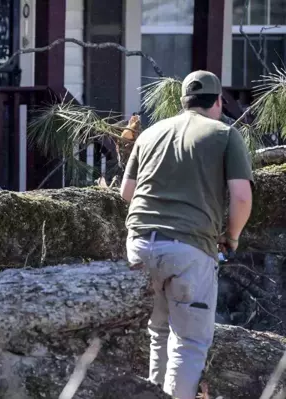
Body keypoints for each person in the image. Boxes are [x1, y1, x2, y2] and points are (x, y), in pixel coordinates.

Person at [120, 70, 254, 399]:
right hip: (189, 250)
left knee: (159, 335)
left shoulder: (150, 134)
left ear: (182, 102)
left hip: (139, 246)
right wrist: (232, 237)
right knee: (189, 343)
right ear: (219, 102)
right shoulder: (225, 134)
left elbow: (126, 192)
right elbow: (240, 197)